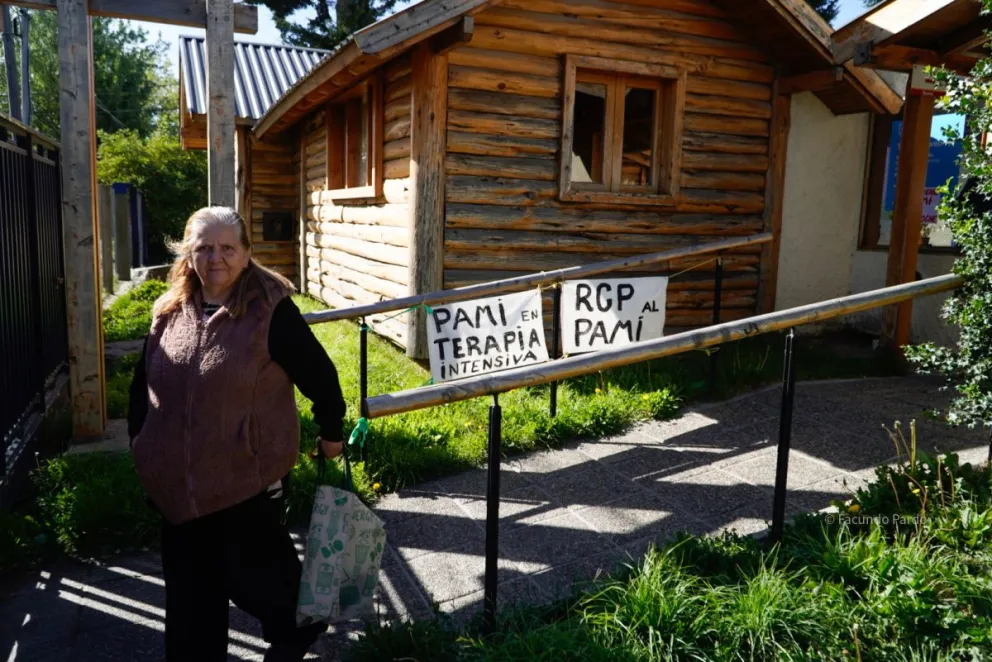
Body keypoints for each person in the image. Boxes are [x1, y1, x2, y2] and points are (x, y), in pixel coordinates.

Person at [128, 206, 347, 662]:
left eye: (227, 248)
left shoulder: (271, 311)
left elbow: (321, 376)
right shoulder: (168, 312)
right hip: (178, 500)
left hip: (244, 491)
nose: (215, 258)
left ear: (247, 254)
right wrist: (144, 450)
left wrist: (331, 431)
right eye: (204, 248)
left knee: (287, 605)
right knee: (191, 625)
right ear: (188, 254)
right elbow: (140, 387)